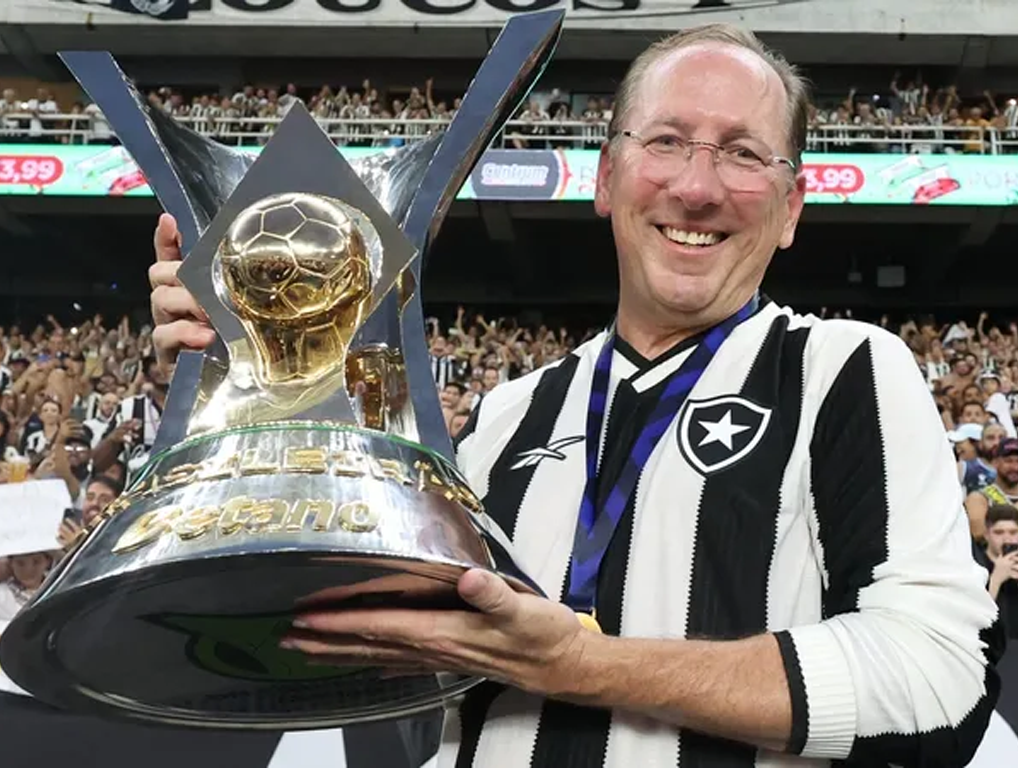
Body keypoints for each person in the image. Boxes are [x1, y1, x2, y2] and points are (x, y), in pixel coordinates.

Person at [148, 25, 1001, 768]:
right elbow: (374, 667)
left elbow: (940, 682)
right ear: (606, 178)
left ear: (790, 208)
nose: (697, 187)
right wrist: (257, 375)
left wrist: (586, 667)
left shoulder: (846, 372)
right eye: (665, 141)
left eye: (744, 153)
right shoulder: (499, 419)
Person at [975, 505, 1018, 640]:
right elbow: (974, 617)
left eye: (1013, 532)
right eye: (999, 532)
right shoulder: (975, 566)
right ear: (987, 535)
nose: (1007, 539)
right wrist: (996, 579)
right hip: (990, 647)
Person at [966, 437, 1018, 542]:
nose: (1015, 467)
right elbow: (978, 534)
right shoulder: (979, 497)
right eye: (1008, 461)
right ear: (995, 463)